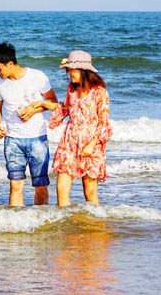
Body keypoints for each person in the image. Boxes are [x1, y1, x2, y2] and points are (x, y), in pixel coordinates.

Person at [0, 42, 58, 207]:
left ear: (10, 64)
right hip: (12, 140)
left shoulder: (37, 76)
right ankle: (16, 225)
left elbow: (54, 102)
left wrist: (34, 109)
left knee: (40, 185)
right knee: (15, 185)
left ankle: (40, 221)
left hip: (37, 138)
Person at [41, 50, 112, 206]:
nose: (69, 73)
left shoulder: (100, 92)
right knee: (61, 187)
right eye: (68, 69)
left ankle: (93, 226)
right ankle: (65, 224)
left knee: (90, 191)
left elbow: (104, 123)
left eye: (71, 69)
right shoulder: (72, 89)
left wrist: (92, 144)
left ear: (82, 70)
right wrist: (43, 106)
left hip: (91, 144)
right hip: (70, 141)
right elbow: (65, 109)